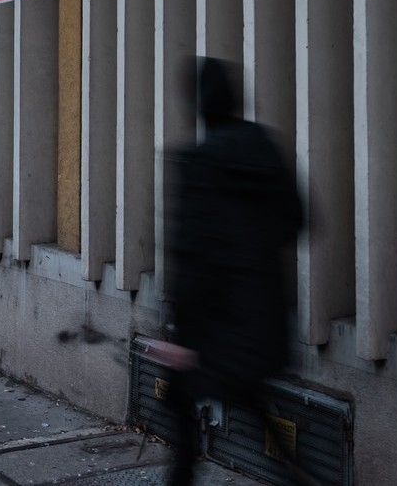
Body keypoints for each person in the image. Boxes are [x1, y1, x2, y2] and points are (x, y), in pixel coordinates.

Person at [162, 58, 304, 486]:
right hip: (263, 315)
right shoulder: (264, 147)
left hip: (215, 322)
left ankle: (182, 478)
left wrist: (181, 332)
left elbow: (190, 253)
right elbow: (297, 217)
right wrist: (256, 256)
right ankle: (294, 474)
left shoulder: (198, 162)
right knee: (249, 393)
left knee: (181, 397)